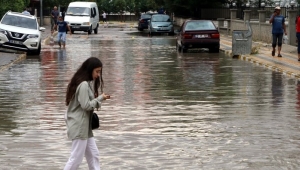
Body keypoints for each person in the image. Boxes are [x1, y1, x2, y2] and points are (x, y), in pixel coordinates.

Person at [64, 57, 110, 170]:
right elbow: (86, 105)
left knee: (94, 155)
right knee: (76, 159)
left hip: (85, 128)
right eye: (97, 71)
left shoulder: (84, 83)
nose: (98, 75)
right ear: (90, 70)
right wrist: (100, 98)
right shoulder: (84, 84)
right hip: (80, 127)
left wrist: (98, 100)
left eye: (100, 71)